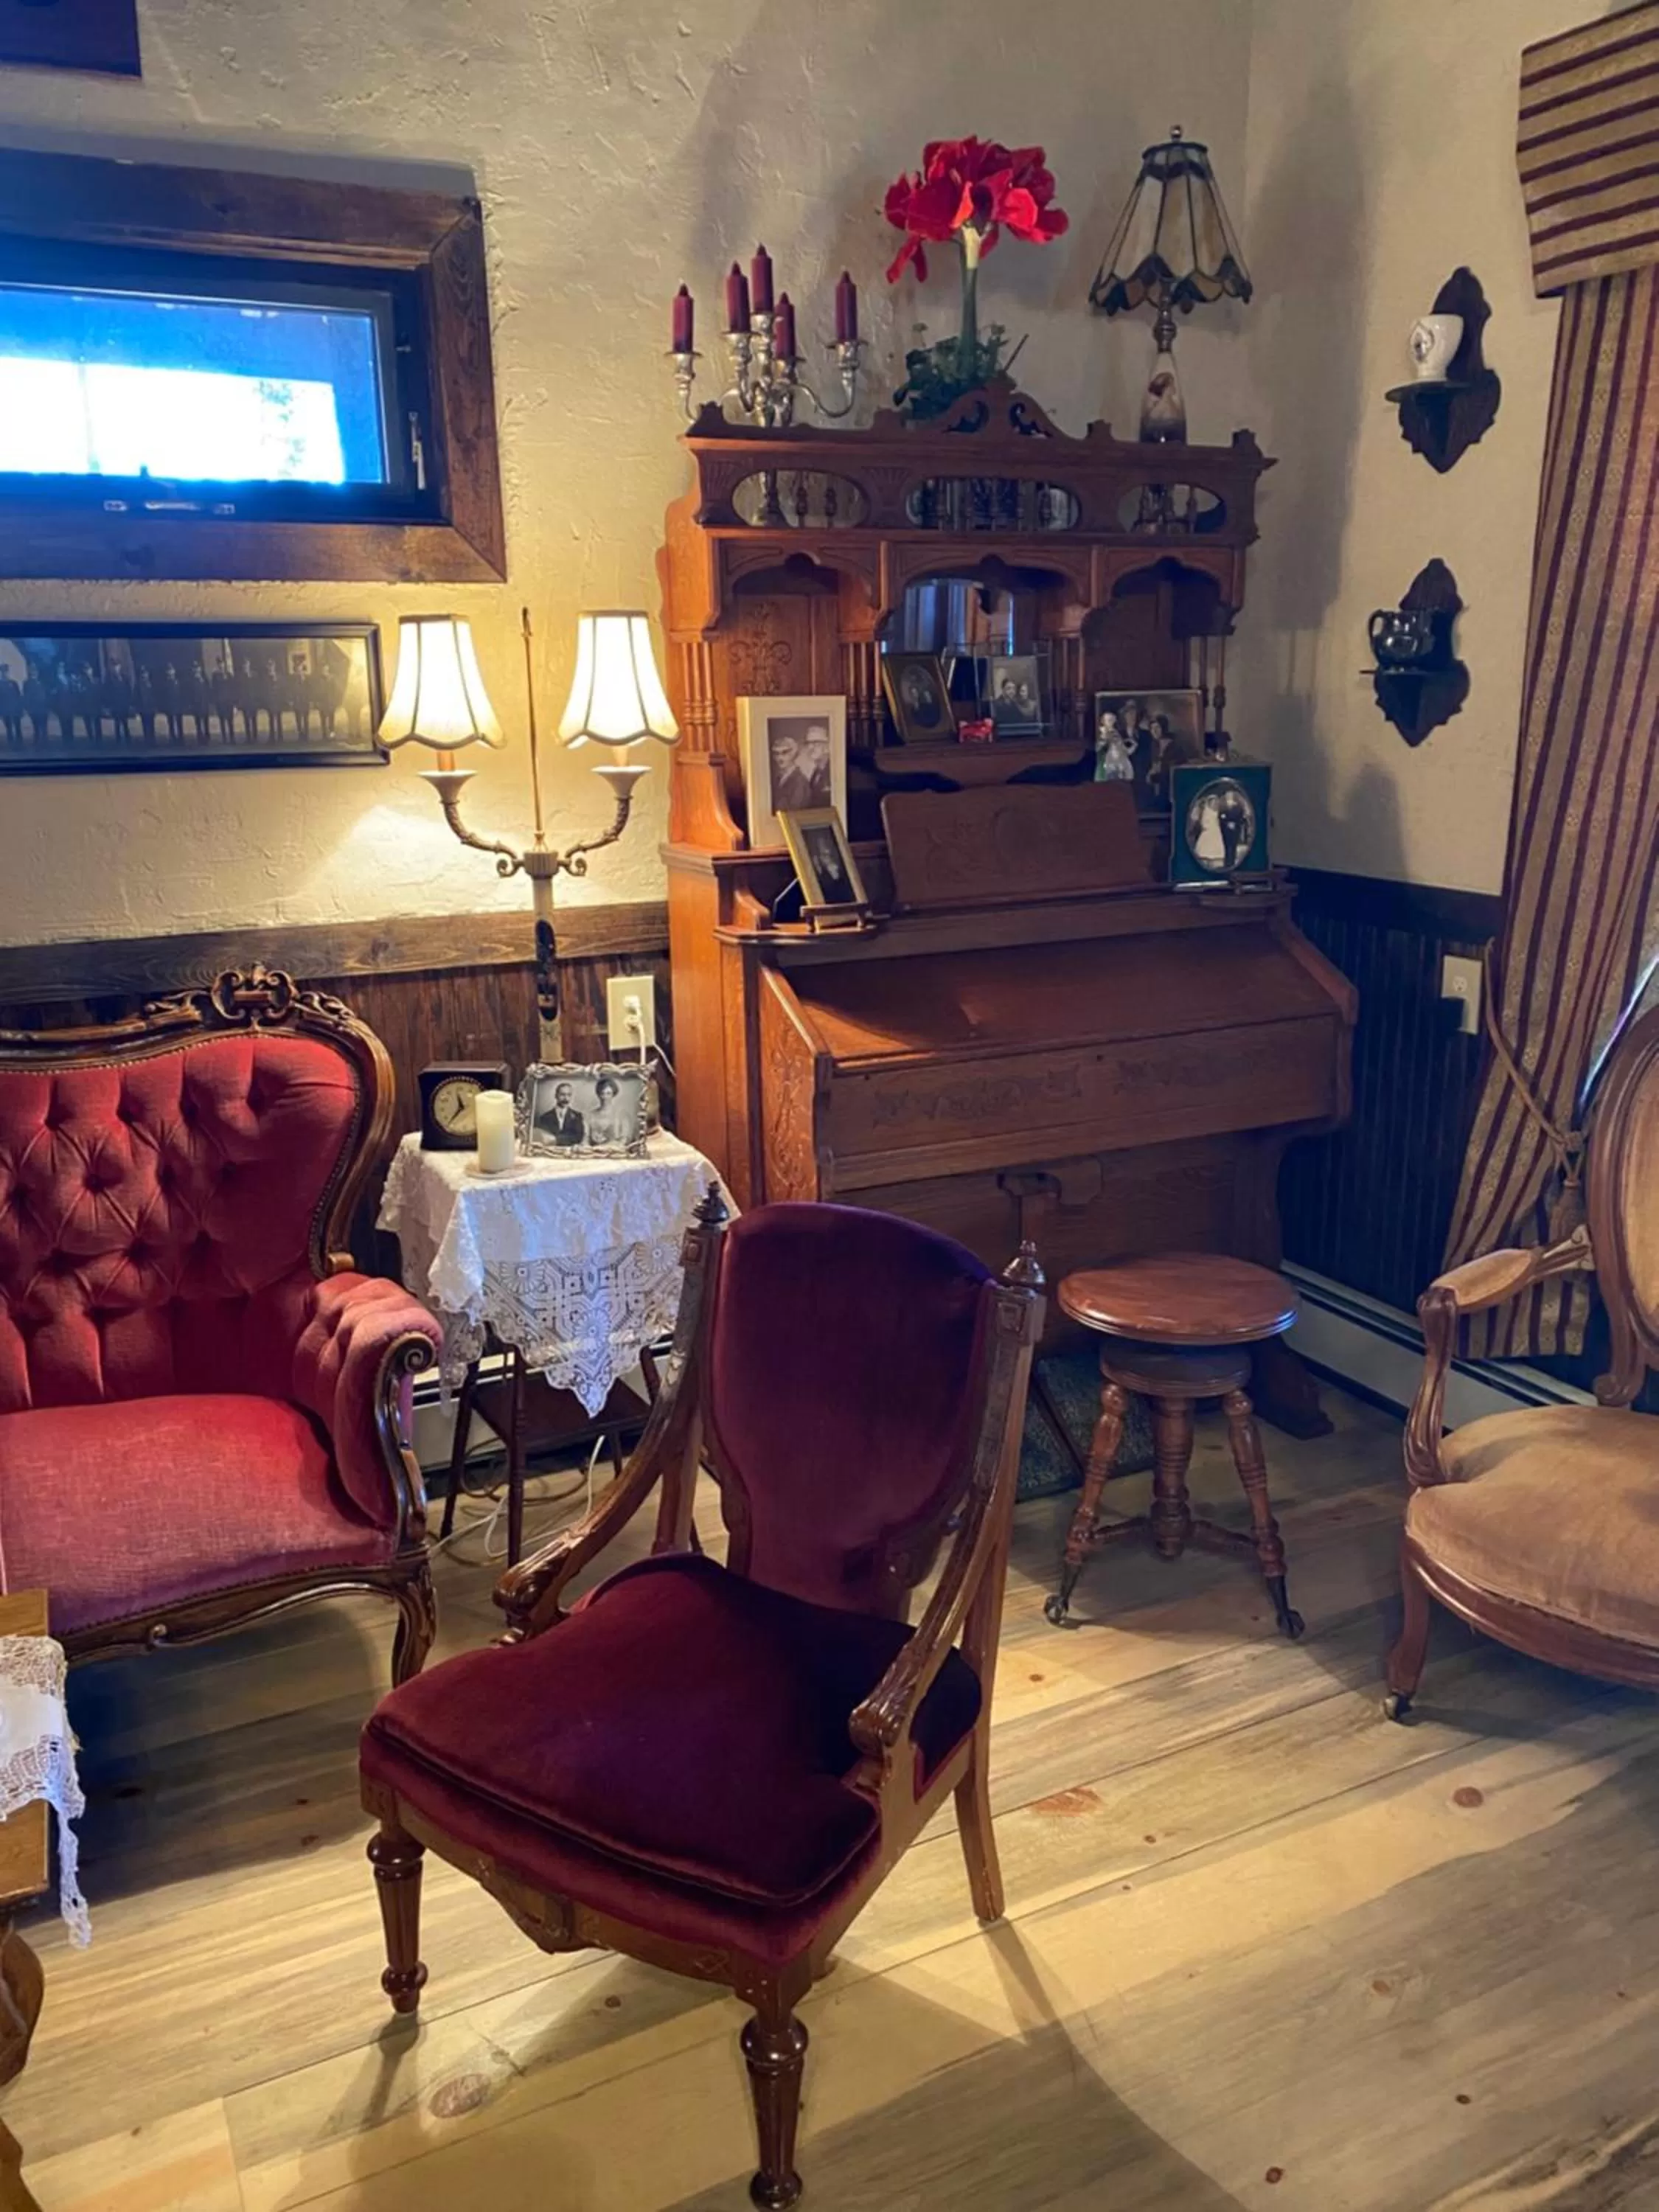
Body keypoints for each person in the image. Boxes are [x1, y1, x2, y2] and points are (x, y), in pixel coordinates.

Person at [770, 718, 832, 813]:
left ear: (828, 745)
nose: (810, 747)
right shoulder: (815, 774)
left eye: (816, 743)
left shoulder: (833, 772)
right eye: (808, 743)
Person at [585, 1074, 632, 1148]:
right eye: (602, 1094)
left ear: (613, 1094)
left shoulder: (622, 1115)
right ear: (598, 1095)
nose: (605, 1097)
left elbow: (624, 1139)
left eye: (608, 1093)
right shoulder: (590, 1115)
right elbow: (585, 1139)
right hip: (594, 1152)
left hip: (615, 1152)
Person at [537, 1079, 586, 1147]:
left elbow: (578, 1137)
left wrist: (556, 1139)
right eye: (563, 1095)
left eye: (569, 1095)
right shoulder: (545, 1117)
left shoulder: (577, 1116)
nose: (566, 1099)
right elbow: (544, 1138)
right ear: (556, 1096)